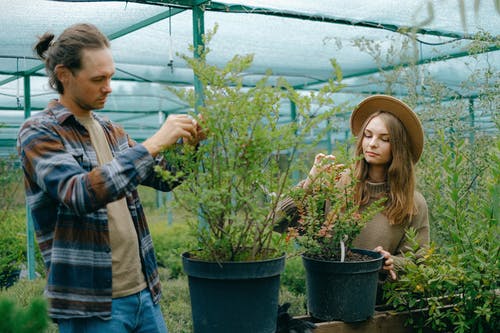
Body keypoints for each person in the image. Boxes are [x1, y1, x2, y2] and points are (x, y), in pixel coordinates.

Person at [17, 23, 203, 333]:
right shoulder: (39, 132)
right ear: (64, 75)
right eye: (98, 79)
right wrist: (154, 143)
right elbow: (79, 193)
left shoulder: (110, 131)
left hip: (145, 292)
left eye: (111, 77)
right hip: (92, 305)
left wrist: (190, 148)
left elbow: (165, 179)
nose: (108, 87)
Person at [276, 95, 429, 295]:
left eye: (385, 139)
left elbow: (421, 262)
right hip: (326, 297)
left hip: (381, 309)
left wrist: (392, 262)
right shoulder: (336, 182)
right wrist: (309, 183)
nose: (372, 144)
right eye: (367, 135)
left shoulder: (413, 203)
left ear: (398, 148)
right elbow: (276, 221)